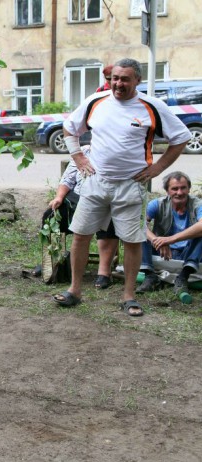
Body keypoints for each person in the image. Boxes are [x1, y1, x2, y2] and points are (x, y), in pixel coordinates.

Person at [53, 58, 191, 316]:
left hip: (131, 185)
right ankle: (74, 290)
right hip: (95, 182)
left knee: (132, 241)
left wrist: (158, 168)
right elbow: (70, 128)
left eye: (124, 79)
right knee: (81, 235)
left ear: (137, 80)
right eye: (114, 78)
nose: (118, 84)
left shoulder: (152, 106)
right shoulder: (96, 102)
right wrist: (79, 157)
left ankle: (128, 296)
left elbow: (181, 138)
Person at [42, 159, 119, 289]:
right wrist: (59, 197)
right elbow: (67, 179)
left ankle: (104, 272)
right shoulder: (83, 152)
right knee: (50, 214)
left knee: (111, 216)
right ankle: (51, 263)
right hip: (76, 198)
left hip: (104, 198)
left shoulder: (113, 152)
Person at [137, 171, 202, 294]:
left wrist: (170, 239)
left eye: (183, 188)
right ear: (167, 191)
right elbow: (139, 224)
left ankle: (183, 277)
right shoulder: (157, 203)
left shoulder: (197, 204)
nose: (179, 192)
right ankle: (150, 276)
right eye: (174, 189)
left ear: (189, 189)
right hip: (162, 251)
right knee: (138, 233)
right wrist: (157, 240)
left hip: (188, 253)